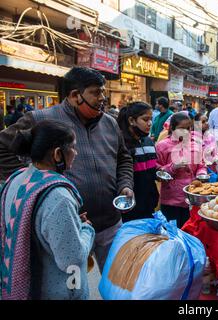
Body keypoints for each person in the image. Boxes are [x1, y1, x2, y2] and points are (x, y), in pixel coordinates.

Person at [0, 67, 134, 273]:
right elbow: (3, 147)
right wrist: (33, 182)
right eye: (96, 92)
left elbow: (124, 158)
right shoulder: (40, 119)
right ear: (74, 95)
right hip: (68, 228)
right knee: (73, 288)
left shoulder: (109, 123)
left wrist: (125, 185)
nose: (103, 98)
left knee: (118, 284)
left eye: (103, 92)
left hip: (111, 223)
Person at [0, 120, 95, 300]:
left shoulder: (17, 179)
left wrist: (72, 223)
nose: (76, 153)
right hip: (56, 292)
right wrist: (86, 229)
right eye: (73, 148)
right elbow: (71, 260)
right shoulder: (59, 197)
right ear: (58, 154)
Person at [156, 112, 207, 228]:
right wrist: (173, 167)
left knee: (189, 229)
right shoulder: (162, 146)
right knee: (172, 233)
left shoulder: (195, 145)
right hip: (171, 199)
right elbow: (157, 171)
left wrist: (201, 174)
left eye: (188, 128)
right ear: (172, 128)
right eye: (181, 128)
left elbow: (201, 165)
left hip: (192, 196)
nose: (185, 132)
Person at [117, 102, 159, 222]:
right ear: (132, 120)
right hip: (130, 206)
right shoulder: (121, 144)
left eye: (151, 119)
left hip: (149, 203)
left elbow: (150, 168)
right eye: (145, 119)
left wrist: (158, 172)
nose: (150, 123)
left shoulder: (148, 142)